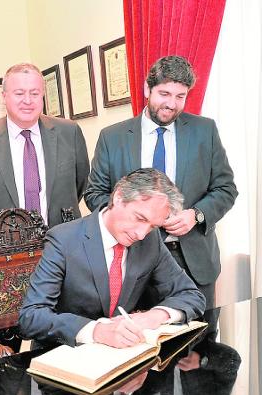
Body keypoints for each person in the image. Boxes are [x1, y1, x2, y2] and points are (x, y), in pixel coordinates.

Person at [84, 55, 237, 343]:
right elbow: (94, 194)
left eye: (180, 96)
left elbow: (225, 188)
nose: (171, 103)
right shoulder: (112, 137)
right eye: (164, 94)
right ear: (147, 89)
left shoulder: (205, 131)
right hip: (134, 260)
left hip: (193, 261)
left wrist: (196, 215)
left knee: (198, 349)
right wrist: (133, 222)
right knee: (139, 349)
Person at [19, 168, 205, 348]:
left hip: (124, 361)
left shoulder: (150, 241)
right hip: (65, 357)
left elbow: (192, 295)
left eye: (152, 226)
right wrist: (97, 331)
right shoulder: (63, 240)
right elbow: (31, 317)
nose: (141, 234)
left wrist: (154, 316)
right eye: (140, 218)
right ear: (118, 197)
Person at [0, 63, 89, 227]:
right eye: (19, 93)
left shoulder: (69, 132)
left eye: (35, 93)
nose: (28, 100)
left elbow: (80, 184)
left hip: (63, 242)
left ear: (42, 95)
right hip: (6, 246)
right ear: (4, 96)